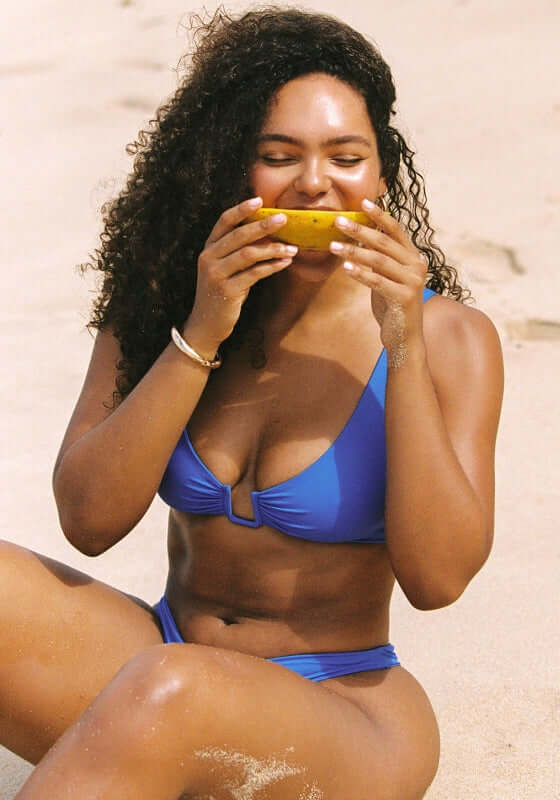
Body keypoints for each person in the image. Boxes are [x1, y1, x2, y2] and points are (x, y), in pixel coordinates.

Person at [2, 6, 504, 799]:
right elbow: (90, 521)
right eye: (280, 156)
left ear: (382, 173)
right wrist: (200, 331)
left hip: (340, 709)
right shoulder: (164, 303)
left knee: (172, 686)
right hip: (163, 659)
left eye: (347, 157)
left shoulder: (449, 338)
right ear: (233, 167)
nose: (314, 183)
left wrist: (401, 343)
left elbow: (437, 579)